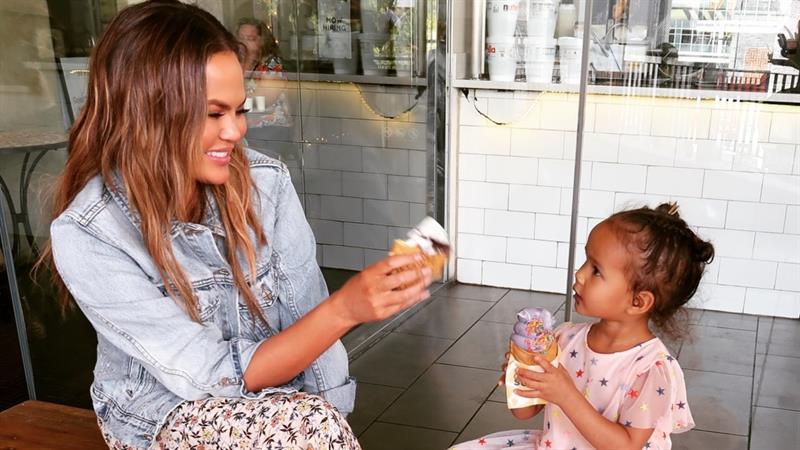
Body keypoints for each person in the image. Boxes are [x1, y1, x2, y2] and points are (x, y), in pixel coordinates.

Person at [40, 1, 433, 449]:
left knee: (310, 424)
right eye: (214, 114)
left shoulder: (267, 184)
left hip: (281, 408)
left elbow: (306, 320)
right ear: (146, 112)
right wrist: (345, 310)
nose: (235, 131)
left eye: (240, 110)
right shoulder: (90, 233)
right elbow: (210, 374)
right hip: (164, 416)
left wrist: (330, 416)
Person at [452, 202, 714, 450]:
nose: (579, 273)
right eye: (586, 261)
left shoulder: (650, 369)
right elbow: (525, 412)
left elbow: (626, 445)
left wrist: (566, 394)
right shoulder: (563, 339)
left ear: (638, 301)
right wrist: (522, 377)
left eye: (596, 270)